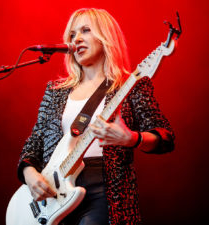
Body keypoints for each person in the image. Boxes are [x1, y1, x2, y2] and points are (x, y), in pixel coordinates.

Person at [17, 8, 174, 225]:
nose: (77, 39)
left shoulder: (129, 86)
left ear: (106, 37)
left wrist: (132, 139)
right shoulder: (55, 91)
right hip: (54, 194)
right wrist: (30, 174)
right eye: (72, 35)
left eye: (86, 30)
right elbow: (33, 145)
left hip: (105, 190)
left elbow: (165, 137)